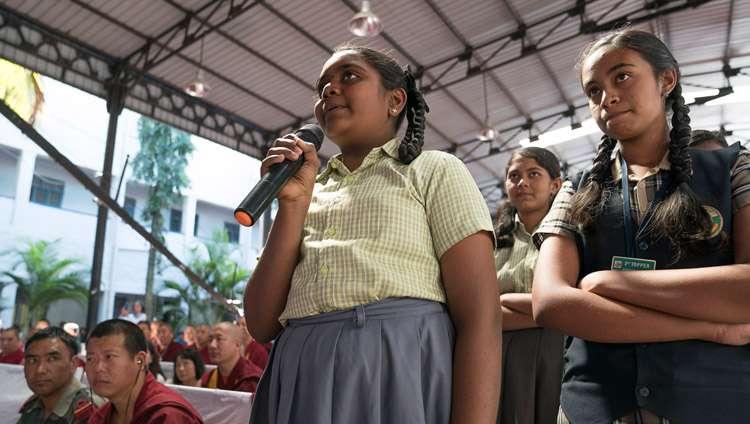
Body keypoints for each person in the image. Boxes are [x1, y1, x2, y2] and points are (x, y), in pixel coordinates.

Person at [244, 44, 502, 424]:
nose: (329, 90)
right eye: (322, 86)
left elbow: (481, 317)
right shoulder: (306, 190)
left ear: (395, 100)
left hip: (399, 367)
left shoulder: (432, 170)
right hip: (302, 374)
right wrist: (293, 205)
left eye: (348, 76)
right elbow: (261, 323)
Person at [532, 28, 750, 424]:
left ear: (667, 80)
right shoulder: (575, 191)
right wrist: (708, 327)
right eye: (593, 90)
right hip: (596, 408)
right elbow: (549, 303)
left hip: (712, 403)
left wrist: (610, 284)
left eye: (622, 76)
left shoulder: (733, 169)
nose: (607, 97)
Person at [494, 147, 564, 423]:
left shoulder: (573, 236)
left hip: (558, 351)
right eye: (514, 176)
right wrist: (553, 314)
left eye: (533, 174)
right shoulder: (491, 242)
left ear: (555, 184)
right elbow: (485, 315)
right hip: (501, 352)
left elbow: (576, 302)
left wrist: (506, 301)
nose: (522, 182)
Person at [85, 319, 204, 424]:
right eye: (91, 359)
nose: (98, 368)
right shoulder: (100, 416)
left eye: (109, 357)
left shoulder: (168, 415)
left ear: (140, 360)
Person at [18, 327, 105, 423]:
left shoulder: (91, 410)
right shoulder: (32, 406)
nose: (40, 370)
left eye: (52, 359)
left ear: (73, 364)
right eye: (32, 360)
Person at [200, 322, 262, 392]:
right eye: (210, 340)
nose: (212, 345)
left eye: (219, 339)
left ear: (237, 345)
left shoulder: (252, 380)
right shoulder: (208, 379)